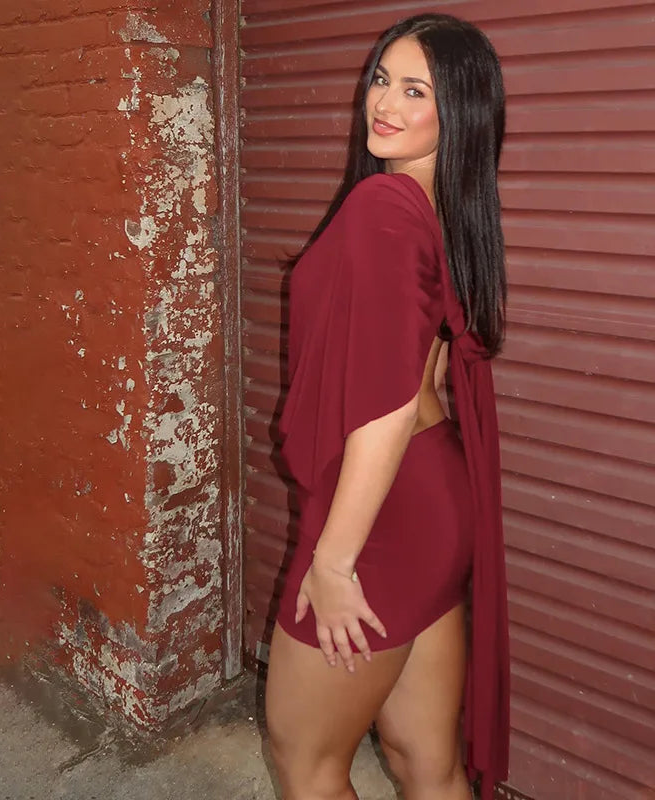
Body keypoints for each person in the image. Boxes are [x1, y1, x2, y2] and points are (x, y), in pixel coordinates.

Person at [265, 13, 509, 800]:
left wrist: (334, 560)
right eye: (381, 79)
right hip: (436, 500)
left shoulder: (383, 211)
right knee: (423, 760)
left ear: (459, 112)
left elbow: (388, 402)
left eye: (416, 90)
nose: (386, 103)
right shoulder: (440, 213)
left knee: (305, 762)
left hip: (379, 510)